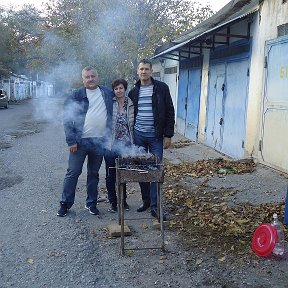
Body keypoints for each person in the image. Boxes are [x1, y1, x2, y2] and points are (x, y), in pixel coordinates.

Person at [57, 66, 113, 217]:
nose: (90, 79)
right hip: (79, 142)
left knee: (94, 174)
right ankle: (65, 204)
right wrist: (71, 141)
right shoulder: (76, 95)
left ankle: (92, 204)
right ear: (83, 79)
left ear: (97, 77)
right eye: (87, 77)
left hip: (99, 141)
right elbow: (68, 119)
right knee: (73, 172)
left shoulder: (107, 93)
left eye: (93, 76)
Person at [128, 59, 175, 219]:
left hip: (155, 137)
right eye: (141, 69)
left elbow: (170, 111)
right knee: (142, 171)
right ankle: (146, 201)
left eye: (146, 69)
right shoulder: (133, 91)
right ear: (137, 71)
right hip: (138, 135)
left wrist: (168, 135)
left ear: (151, 71)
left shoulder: (161, 88)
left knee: (155, 171)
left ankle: (155, 207)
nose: (143, 72)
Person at [104, 78, 134, 213]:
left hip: (126, 144)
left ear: (125, 89)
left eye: (121, 88)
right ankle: (113, 202)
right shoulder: (110, 102)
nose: (118, 91)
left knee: (123, 174)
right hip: (110, 144)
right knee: (111, 174)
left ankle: (123, 200)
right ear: (113, 90)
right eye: (116, 89)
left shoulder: (131, 103)